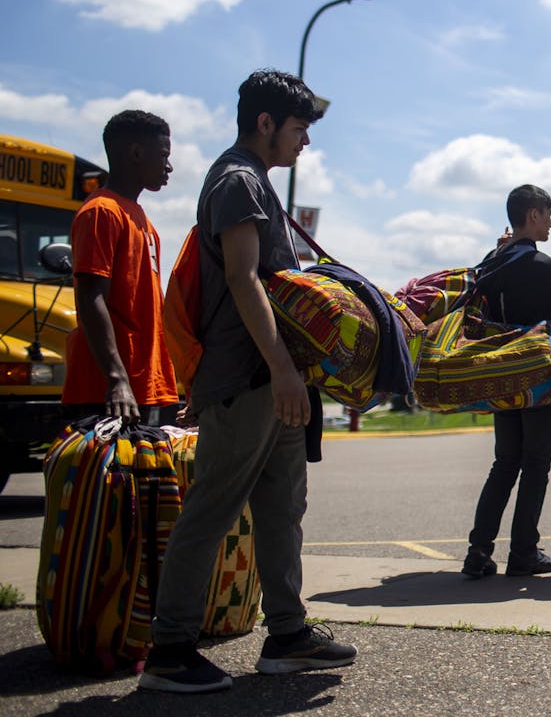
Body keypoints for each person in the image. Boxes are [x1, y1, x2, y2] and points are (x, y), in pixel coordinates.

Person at [140, 70, 355, 693]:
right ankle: (170, 649)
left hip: (275, 379)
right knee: (211, 509)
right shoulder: (237, 180)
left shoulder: (256, 182)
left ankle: (287, 635)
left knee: (283, 508)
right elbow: (243, 280)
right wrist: (284, 370)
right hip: (247, 378)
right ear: (265, 123)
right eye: (298, 129)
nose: (304, 142)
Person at [462, 184, 551, 579]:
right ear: (533, 215)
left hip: (500, 374)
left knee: (504, 463)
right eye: (548, 215)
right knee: (536, 464)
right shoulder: (542, 265)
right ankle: (524, 553)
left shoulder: (491, 262)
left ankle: (478, 552)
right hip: (538, 376)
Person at [62, 110, 179, 425]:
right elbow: (90, 297)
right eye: (163, 155)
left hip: (145, 384)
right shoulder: (102, 211)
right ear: (137, 153)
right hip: (110, 391)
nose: (169, 165)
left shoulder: (141, 218)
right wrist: (116, 378)